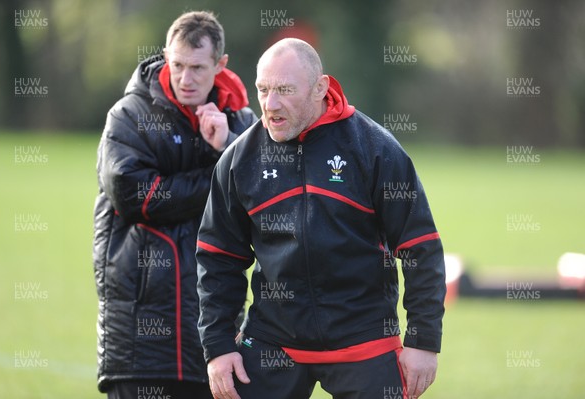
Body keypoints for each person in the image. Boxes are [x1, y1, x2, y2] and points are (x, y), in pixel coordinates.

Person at [196, 38, 446, 399]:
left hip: (364, 339)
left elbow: (419, 246)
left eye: (284, 90)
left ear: (320, 88)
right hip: (273, 340)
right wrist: (218, 347)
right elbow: (218, 257)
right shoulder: (239, 159)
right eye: (263, 90)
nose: (270, 104)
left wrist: (423, 341)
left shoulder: (375, 149)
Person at [93, 11, 257, 399]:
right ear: (165, 55)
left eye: (198, 67)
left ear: (221, 64)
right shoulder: (128, 116)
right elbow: (135, 195)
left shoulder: (244, 123)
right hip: (140, 335)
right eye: (177, 64)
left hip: (217, 334)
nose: (186, 79)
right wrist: (222, 172)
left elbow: (266, 199)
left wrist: (226, 146)